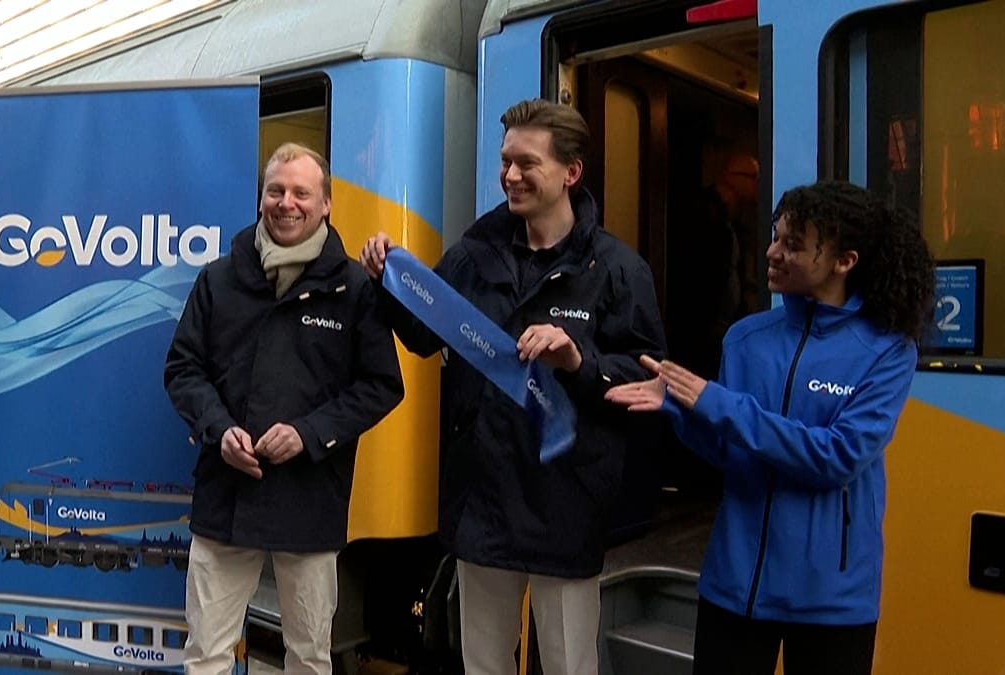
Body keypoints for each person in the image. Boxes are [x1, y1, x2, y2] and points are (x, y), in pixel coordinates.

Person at [360, 99, 666, 675]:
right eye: (505, 161)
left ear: (571, 173)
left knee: (569, 665)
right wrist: (386, 284)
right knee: (483, 666)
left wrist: (579, 360)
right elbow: (425, 338)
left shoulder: (618, 270)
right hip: (485, 501)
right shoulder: (473, 255)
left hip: (567, 505)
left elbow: (651, 380)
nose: (510, 175)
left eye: (527, 163)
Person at [606, 181, 936, 675]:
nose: (772, 252)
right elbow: (728, 451)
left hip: (832, 598)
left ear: (844, 261)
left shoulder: (887, 350)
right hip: (735, 586)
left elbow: (837, 458)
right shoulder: (746, 337)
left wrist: (716, 402)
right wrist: (679, 408)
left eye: (792, 244)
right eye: (775, 236)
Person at [164, 143, 404, 674]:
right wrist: (218, 429)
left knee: (310, 657)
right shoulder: (219, 278)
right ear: (261, 199)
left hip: (310, 500)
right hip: (226, 499)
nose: (286, 203)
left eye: (301, 192)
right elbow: (183, 369)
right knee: (206, 652)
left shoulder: (354, 287)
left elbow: (382, 385)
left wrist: (310, 434)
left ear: (326, 205)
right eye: (276, 190)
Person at [668, 153, 759, 380]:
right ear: (731, 178)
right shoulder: (702, 213)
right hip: (700, 327)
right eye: (752, 177)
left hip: (725, 325)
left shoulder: (735, 221)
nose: (758, 185)